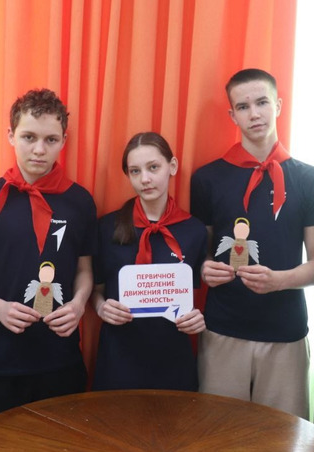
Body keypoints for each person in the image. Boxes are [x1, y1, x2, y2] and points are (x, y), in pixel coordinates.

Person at [189, 68, 314, 419]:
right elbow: (201, 253)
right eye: (243, 107)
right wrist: (205, 268)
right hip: (222, 329)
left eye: (262, 103)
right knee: (217, 435)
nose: (254, 114)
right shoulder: (207, 178)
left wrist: (279, 281)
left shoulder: (312, 180)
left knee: (281, 436)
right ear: (232, 115)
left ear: (279, 105)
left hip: (286, 332)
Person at [0, 88, 96, 425]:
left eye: (50, 139)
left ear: (64, 141)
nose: (39, 149)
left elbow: (85, 269)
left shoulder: (80, 201)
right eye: (29, 137)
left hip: (61, 359)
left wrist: (78, 304)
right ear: (11, 136)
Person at [92, 132, 207, 391]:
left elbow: (195, 297)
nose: (145, 179)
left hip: (173, 359)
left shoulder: (194, 230)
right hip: (119, 358)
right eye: (135, 171)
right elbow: (96, 290)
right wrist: (101, 308)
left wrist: (197, 319)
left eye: (153, 167)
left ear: (172, 166)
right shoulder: (107, 227)